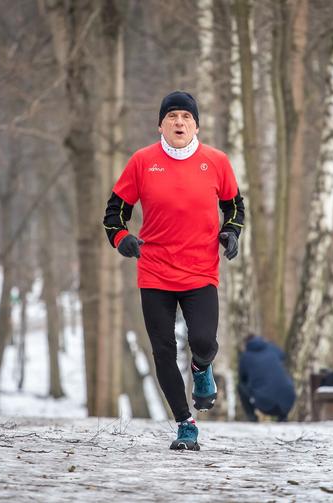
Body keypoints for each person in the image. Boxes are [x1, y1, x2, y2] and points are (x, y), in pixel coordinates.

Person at [103, 91, 244, 451]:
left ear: (196, 124)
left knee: (202, 341)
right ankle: (185, 423)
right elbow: (114, 212)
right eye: (172, 117)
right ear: (160, 125)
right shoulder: (141, 162)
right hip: (155, 272)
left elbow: (234, 207)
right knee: (163, 351)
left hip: (200, 272)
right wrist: (122, 239)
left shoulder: (216, 161)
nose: (179, 123)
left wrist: (231, 233)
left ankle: (201, 370)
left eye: (185, 116)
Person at [238, 334, 296, 422]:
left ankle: (252, 417)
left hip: (265, 404)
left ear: (246, 344)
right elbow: (283, 355)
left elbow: (242, 378)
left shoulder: (245, 356)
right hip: (288, 400)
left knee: (241, 387)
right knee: (281, 381)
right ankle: (283, 417)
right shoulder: (272, 348)